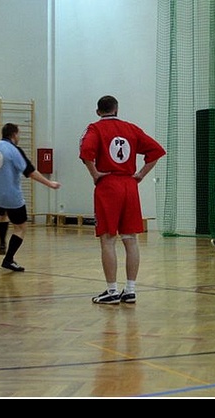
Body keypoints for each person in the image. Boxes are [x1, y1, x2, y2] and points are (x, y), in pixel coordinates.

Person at [79, 95, 166, 305]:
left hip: (108, 184)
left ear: (98, 111)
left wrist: (94, 173)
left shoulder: (95, 129)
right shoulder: (131, 128)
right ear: (117, 110)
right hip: (129, 185)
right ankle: (130, 290)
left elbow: (85, 152)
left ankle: (111, 291)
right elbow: (156, 151)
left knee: (108, 239)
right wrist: (141, 174)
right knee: (131, 239)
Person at [0, 123, 60, 271]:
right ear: (14, 135)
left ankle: (2, 241)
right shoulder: (14, 150)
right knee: (21, 227)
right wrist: (50, 183)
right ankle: (8, 259)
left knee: (2, 214)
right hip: (11, 196)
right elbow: (30, 172)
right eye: (18, 134)